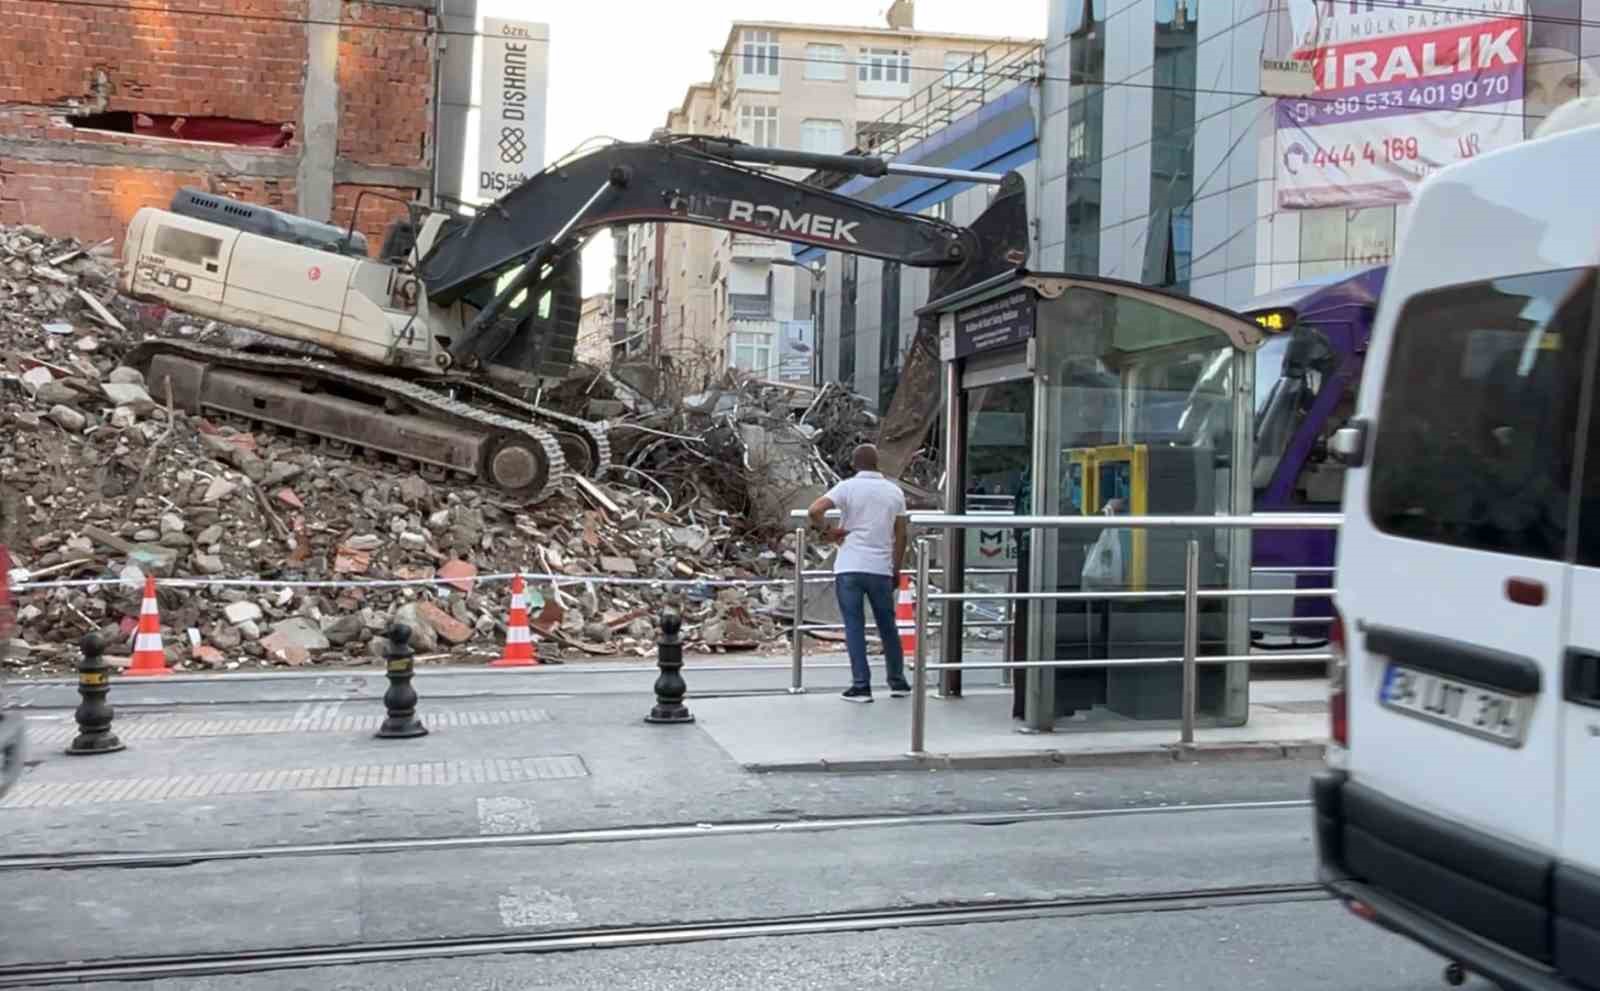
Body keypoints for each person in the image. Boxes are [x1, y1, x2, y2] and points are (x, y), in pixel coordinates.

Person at [808, 444, 911, 702]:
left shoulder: (847, 487)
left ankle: (861, 686)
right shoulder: (894, 492)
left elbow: (814, 510)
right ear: (878, 464)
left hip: (850, 566)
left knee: (854, 626)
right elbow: (901, 535)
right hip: (880, 568)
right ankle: (897, 681)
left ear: (854, 464)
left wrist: (828, 532)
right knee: (887, 626)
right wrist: (895, 568)